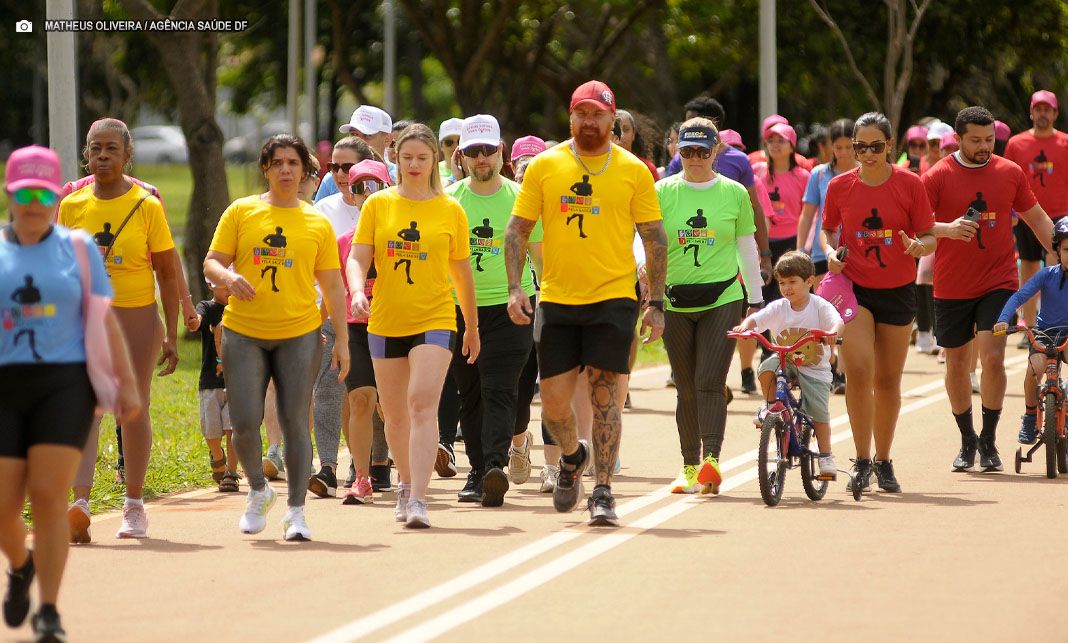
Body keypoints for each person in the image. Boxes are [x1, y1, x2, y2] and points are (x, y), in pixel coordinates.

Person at [505, 80, 666, 527]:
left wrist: (656, 301)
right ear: (570, 118)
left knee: (604, 399)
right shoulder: (544, 166)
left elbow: (654, 237)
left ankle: (603, 491)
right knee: (554, 408)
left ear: (613, 120)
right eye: (583, 114)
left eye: (599, 115)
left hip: (613, 299)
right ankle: (573, 457)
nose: (590, 122)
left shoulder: (633, 170)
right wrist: (516, 288)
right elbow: (517, 229)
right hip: (557, 299)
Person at [1, 146, 140, 642]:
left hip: (64, 384)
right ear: (10, 194)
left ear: (56, 196)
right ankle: (20, 566)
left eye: (43, 192)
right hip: (5, 387)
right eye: (24, 193)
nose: (34, 203)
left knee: (47, 496)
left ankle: (50, 612)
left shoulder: (77, 248)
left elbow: (103, 319)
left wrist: (125, 383)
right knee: (3, 508)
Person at [204, 134, 350, 541]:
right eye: (277, 163)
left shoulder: (315, 222)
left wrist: (341, 338)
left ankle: (297, 511)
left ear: (304, 170)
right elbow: (211, 262)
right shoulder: (242, 212)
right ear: (265, 169)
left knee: (293, 421)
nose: (286, 170)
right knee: (246, 421)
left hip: (299, 333)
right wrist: (229, 277)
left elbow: (334, 286)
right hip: (244, 332)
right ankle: (257, 489)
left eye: (293, 163)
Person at [348, 123, 480, 529]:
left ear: (434, 160)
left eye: (423, 157)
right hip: (386, 319)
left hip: (435, 317)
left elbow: (461, 274)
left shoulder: (450, 209)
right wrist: (356, 291)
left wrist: (471, 327)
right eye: (407, 158)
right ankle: (404, 484)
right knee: (395, 414)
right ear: (396, 160)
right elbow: (358, 258)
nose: (415, 165)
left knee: (422, 403)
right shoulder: (378, 206)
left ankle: (419, 497)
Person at [58, 118, 182, 541]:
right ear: (86, 154)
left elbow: (166, 271)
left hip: (135, 316)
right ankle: (80, 503)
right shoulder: (72, 205)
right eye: (95, 149)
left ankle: (134, 505)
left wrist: (171, 331)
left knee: (133, 407)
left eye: (111, 148)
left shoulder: (147, 205)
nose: (102, 156)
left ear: (128, 154)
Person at [924, 106, 1053, 471]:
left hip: (998, 282)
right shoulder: (938, 175)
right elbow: (915, 223)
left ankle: (989, 439)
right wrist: (947, 228)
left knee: (993, 358)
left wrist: (1059, 253)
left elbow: (1037, 217)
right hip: (951, 285)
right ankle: (967, 440)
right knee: (957, 365)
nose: (984, 146)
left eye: (989, 139)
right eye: (976, 140)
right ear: (959, 138)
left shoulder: (1009, 172)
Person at [821, 112, 936, 493]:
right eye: (859, 147)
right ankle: (862, 459)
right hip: (855, 289)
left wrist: (920, 246)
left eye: (875, 146)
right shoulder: (840, 186)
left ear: (890, 146)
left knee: (887, 380)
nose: (867, 154)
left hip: (899, 290)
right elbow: (827, 230)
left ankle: (884, 461)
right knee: (859, 371)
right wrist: (829, 253)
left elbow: (928, 236)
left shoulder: (910, 184)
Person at [656, 119, 763, 494]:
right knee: (685, 386)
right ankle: (688, 467)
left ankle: (711, 461)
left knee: (709, 382)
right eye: (688, 151)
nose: (695, 158)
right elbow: (643, 239)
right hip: (674, 299)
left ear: (716, 151)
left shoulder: (733, 193)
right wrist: (642, 267)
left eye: (703, 151)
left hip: (723, 297)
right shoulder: (661, 191)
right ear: (677, 151)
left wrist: (756, 300)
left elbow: (747, 247)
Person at [443, 114, 543, 507]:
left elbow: (539, 254)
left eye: (488, 150)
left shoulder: (521, 198)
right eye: (473, 152)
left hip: (512, 306)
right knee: (469, 393)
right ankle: (477, 469)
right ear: (461, 157)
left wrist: (546, 297)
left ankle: (493, 468)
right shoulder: (449, 201)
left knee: (499, 389)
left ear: (501, 152)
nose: (481, 158)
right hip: (459, 309)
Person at [307, 137, 377, 498]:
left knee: (367, 396)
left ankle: (368, 464)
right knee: (329, 389)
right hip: (331, 311)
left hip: (378, 315)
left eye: (348, 167)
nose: (341, 175)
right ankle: (328, 467)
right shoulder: (324, 208)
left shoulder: (383, 205)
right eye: (334, 167)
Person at [734, 251, 843, 478]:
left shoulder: (819, 306)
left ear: (810, 281)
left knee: (819, 414)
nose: (787, 288)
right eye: (782, 283)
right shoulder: (779, 307)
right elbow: (758, 318)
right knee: (766, 367)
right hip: (786, 361)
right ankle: (771, 406)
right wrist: (746, 325)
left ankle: (826, 457)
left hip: (814, 368)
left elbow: (837, 321)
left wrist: (832, 334)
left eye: (793, 282)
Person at [336, 159, 393, 504]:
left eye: (375, 186)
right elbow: (331, 287)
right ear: (351, 195)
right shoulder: (343, 241)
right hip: (355, 327)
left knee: (394, 406)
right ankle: (361, 477)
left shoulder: (400, 237)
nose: (367, 194)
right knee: (360, 400)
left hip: (395, 324)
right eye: (359, 187)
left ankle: (407, 473)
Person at [994, 221, 1068, 443]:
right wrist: (1003, 319)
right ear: (1056, 250)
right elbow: (1019, 296)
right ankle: (1029, 415)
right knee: (1035, 369)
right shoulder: (1047, 275)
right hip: (1045, 332)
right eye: (1066, 250)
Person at [798, 118, 857, 393]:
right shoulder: (819, 175)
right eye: (839, 147)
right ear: (830, 147)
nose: (843, 152)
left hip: (857, 251)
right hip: (824, 250)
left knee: (848, 313)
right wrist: (801, 251)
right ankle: (828, 368)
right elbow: (808, 213)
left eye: (848, 146)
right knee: (825, 310)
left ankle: (844, 370)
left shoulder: (864, 173)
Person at [1005, 90, 1068, 341]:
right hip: (1026, 215)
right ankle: (1029, 327)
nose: (1042, 114)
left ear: (1055, 113)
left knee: (1058, 268)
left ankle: (1057, 324)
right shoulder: (1016, 144)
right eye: (1038, 109)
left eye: (1047, 109)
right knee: (1028, 267)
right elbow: (1007, 181)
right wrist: (1011, 213)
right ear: (1031, 112)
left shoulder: (1065, 143)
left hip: (1060, 216)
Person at [186, 279, 240, 492]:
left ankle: (231, 472)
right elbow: (198, 319)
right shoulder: (207, 308)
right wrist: (195, 321)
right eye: (223, 284)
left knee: (232, 429)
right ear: (210, 284)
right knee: (212, 431)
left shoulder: (242, 310)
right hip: (210, 382)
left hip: (237, 383)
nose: (228, 289)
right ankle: (217, 456)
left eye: (232, 284)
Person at [315, 105, 394, 201]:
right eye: (354, 134)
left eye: (367, 135)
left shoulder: (400, 176)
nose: (359, 141)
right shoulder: (331, 179)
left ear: (388, 139)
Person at [438, 118, 464, 184]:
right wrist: (454, 178)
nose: (455, 146)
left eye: (460, 141)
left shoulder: (476, 169)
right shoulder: (431, 171)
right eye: (449, 142)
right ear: (441, 146)